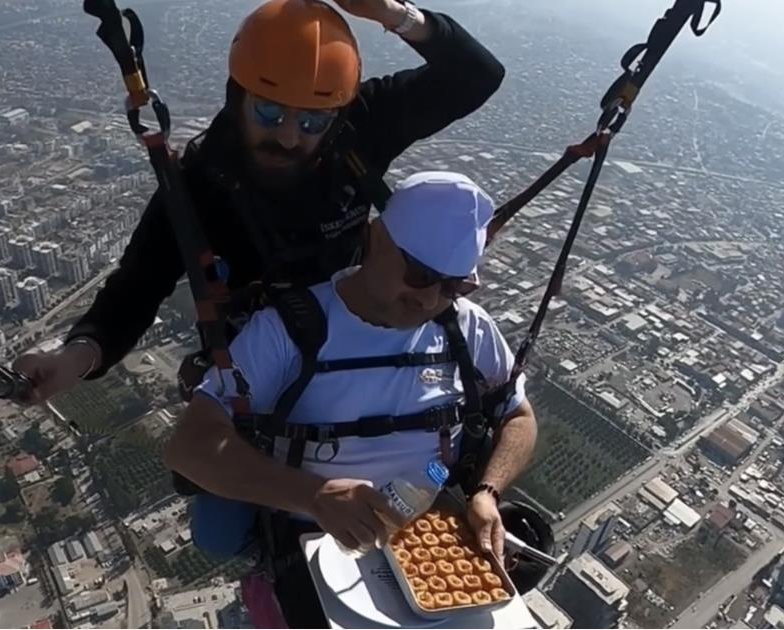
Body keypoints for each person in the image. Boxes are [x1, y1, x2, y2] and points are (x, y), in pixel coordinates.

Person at [14, 0, 506, 401]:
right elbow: (138, 285)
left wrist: (394, 14)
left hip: (365, 321)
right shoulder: (200, 183)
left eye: (313, 121)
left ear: (337, 114)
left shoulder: (361, 126)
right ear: (237, 96)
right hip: (266, 357)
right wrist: (74, 356)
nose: (290, 136)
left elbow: (476, 76)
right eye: (269, 112)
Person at [163, 171, 538, 627]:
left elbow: (517, 416)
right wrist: (314, 495)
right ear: (375, 238)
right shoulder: (291, 330)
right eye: (420, 274)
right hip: (311, 536)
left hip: (430, 529)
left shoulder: (467, 329)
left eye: (455, 286)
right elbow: (190, 445)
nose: (430, 300)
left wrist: (486, 492)